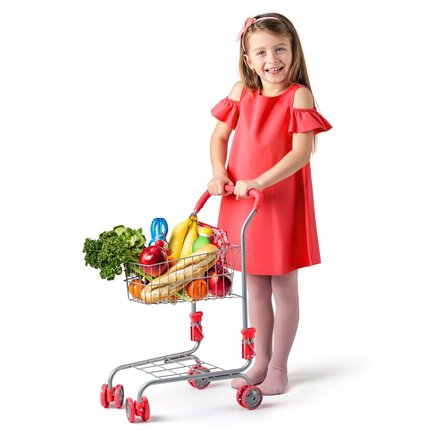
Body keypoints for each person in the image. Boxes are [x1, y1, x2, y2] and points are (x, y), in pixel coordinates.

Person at [207, 13, 332, 395]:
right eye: (261, 52)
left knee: (284, 286)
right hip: (242, 201)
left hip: (279, 202)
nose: (272, 59)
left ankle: (279, 366)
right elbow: (219, 137)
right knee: (255, 286)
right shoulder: (240, 93)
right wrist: (219, 173)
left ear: (293, 52)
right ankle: (259, 361)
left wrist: (260, 181)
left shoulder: (298, 95)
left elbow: (301, 152)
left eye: (280, 49)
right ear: (248, 59)